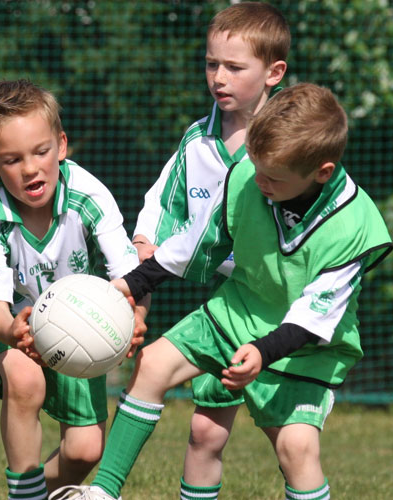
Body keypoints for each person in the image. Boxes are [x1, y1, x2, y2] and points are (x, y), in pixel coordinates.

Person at [51, 82, 393, 500]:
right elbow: (192, 245)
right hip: (236, 312)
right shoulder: (248, 175)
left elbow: (313, 314)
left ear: (321, 172)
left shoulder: (355, 226)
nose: (259, 180)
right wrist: (127, 285)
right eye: (256, 165)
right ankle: (103, 492)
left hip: (306, 348)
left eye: (274, 177)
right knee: (153, 364)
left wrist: (263, 353)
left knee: (296, 448)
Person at [131, 3, 288, 498]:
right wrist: (143, 242)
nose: (218, 77)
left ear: (273, 74)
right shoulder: (196, 140)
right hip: (227, 306)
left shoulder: (288, 143)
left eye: (234, 67)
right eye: (210, 63)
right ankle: (103, 489)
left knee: (291, 444)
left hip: (281, 312)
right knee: (203, 432)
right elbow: (165, 201)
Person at [0, 79, 148, 500]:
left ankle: (35, 495)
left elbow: (130, 272)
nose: (30, 168)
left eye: (41, 152)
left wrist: (136, 317)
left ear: (62, 145)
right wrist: (13, 331)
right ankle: (25, 493)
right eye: (12, 159)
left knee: (85, 451)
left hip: (81, 328)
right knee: (24, 377)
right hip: (14, 328)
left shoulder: (90, 195)